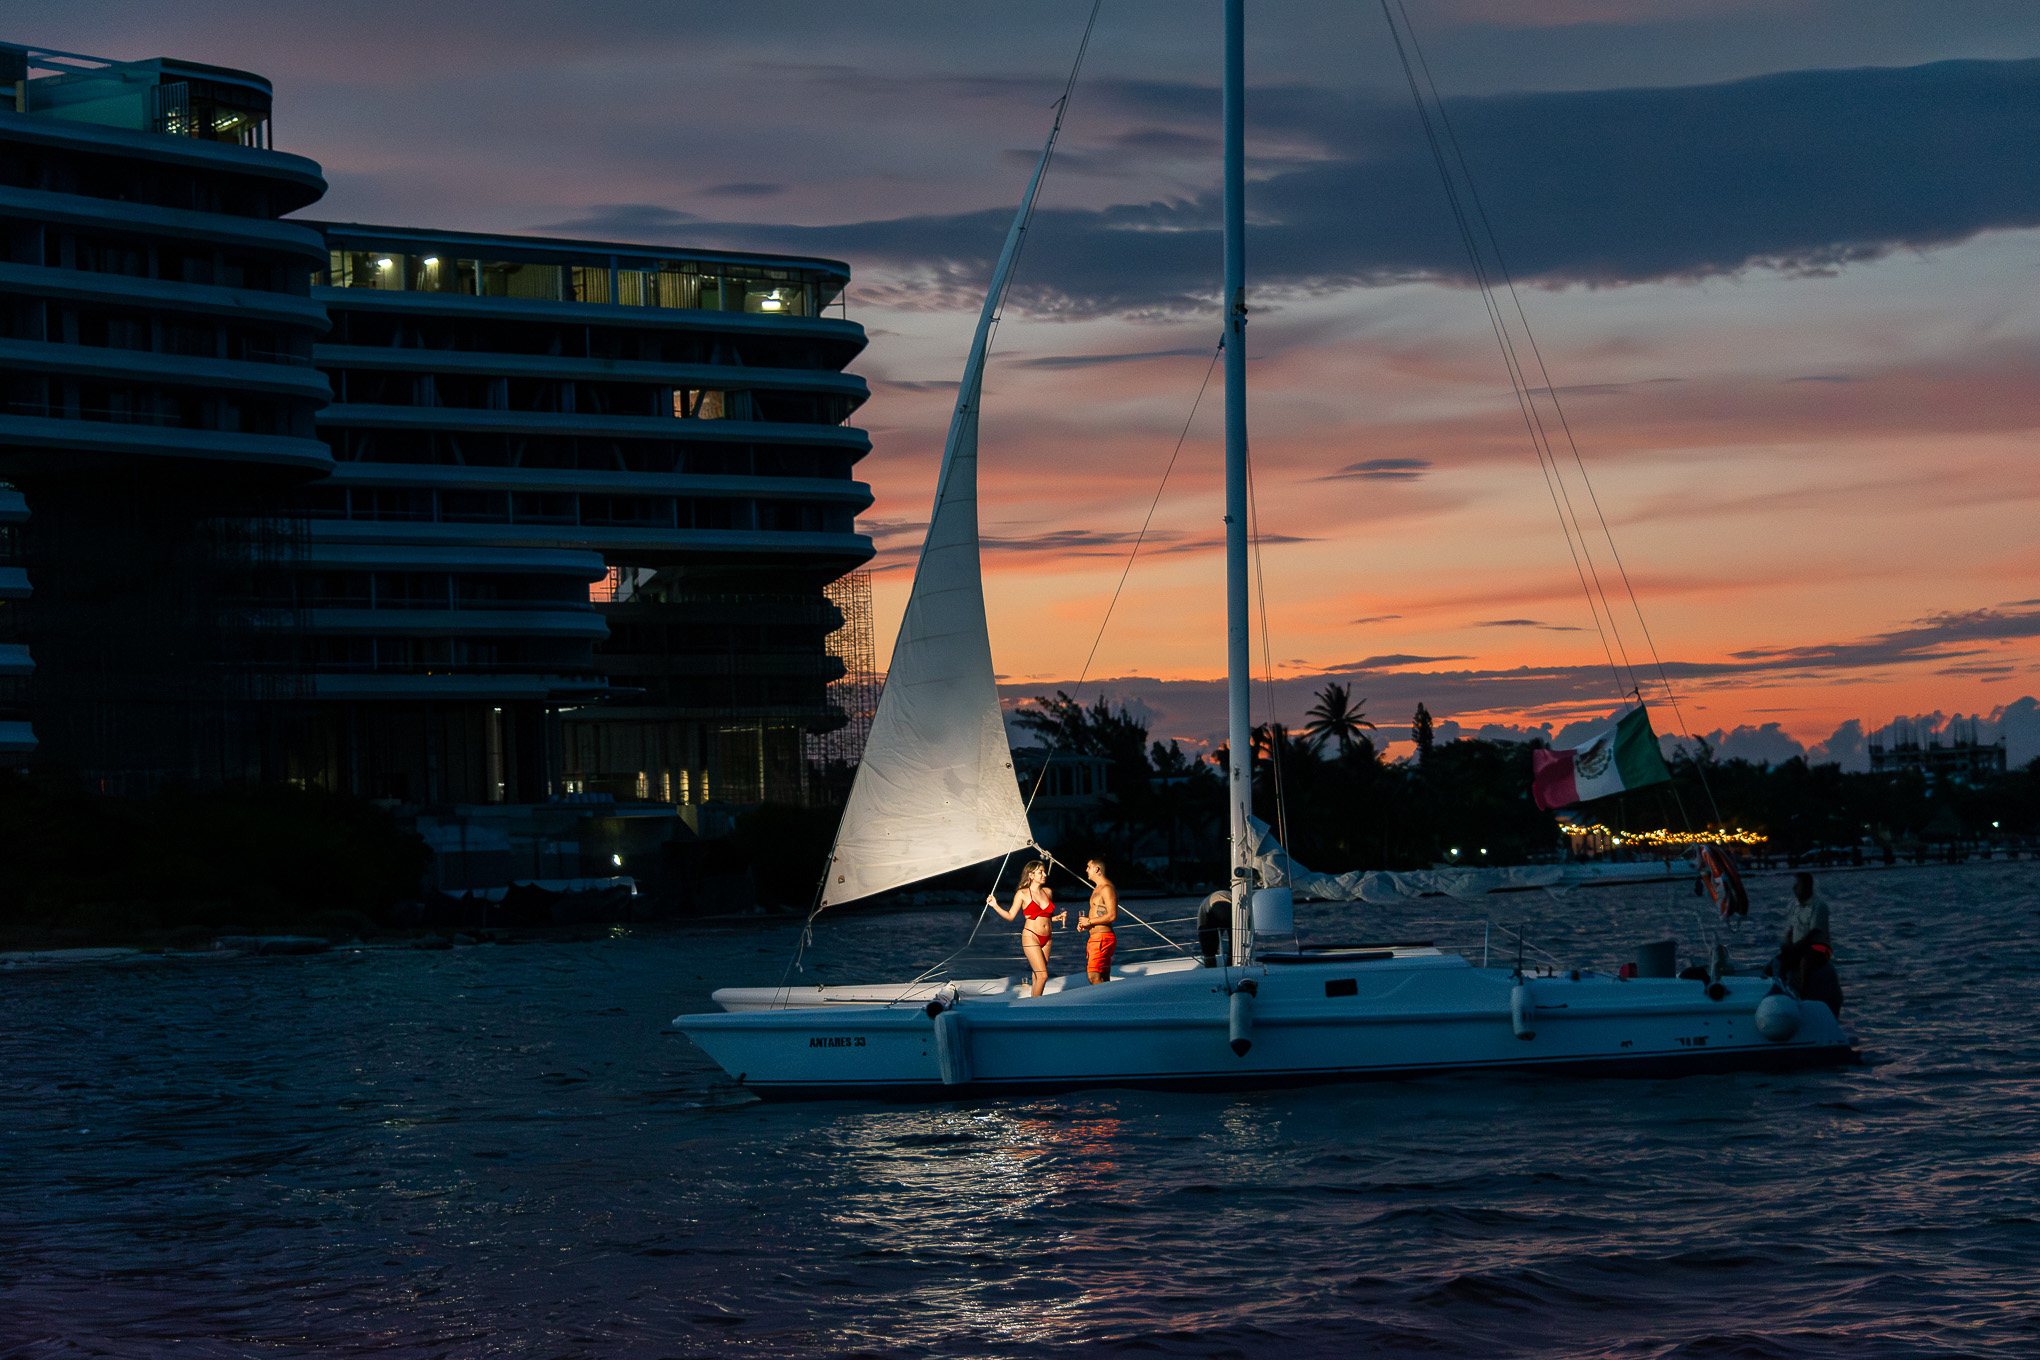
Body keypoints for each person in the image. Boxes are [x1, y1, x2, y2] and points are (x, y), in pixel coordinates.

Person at [1769, 871, 1843, 1017]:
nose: (1794, 888)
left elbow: (1814, 932)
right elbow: (1791, 929)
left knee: (1805, 962)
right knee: (1778, 962)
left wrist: (1797, 947)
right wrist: (1788, 945)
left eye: (1798, 885)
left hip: (1819, 947)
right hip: (1799, 947)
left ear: (1808, 886)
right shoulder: (1795, 906)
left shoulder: (1818, 906)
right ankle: (1779, 990)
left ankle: (1803, 993)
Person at [988, 859, 1062, 997]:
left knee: (1037, 975)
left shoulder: (1048, 892)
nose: (1044, 874)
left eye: (1044, 871)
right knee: (1043, 975)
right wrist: (995, 905)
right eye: (1040, 872)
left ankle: (1032, 1003)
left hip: (1048, 938)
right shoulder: (1022, 894)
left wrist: (1057, 917)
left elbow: (1046, 916)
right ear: (1031, 875)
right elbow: (1010, 916)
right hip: (1031, 936)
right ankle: (1036, 1007)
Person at [1080, 857, 1120, 983]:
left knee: (1093, 976)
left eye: (1088, 867)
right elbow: (1100, 914)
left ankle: (1099, 1002)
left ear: (1096, 869)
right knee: (1103, 977)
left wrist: (1090, 922)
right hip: (1097, 938)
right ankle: (1108, 1001)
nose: (1086, 870)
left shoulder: (1106, 889)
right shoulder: (1097, 889)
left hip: (1102, 939)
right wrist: (1086, 925)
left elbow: (1112, 915)